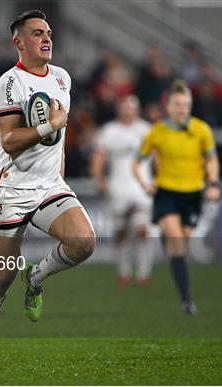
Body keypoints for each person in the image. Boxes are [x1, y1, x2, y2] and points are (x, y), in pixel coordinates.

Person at [0, 10, 96, 364]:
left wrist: (60, 175)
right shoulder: (8, 85)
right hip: (9, 189)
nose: (46, 38)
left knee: (84, 242)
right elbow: (9, 140)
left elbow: (60, 135)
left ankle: (37, 277)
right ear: (19, 42)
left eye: (49, 32)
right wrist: (48, 126)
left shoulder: (61, 78)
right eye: (37, 33)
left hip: (48, 184)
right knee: (2, 276)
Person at [133, 80, 220, 315]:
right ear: (168, 106)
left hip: (192, 195)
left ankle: (165, 238)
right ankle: (187, 301)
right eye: (177, 104)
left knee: (180, 247)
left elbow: (211, 159)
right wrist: (145, 183)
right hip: (166, 193)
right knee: (177, 241)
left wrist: (212, 184)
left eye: (186, 104)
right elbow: (137, 163)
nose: (182, 109)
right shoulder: (156, 132)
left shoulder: (202, 130)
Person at [91, 95, 154, 288]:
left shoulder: (147, 130)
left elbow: (159, 156)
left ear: (137, 109)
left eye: (131, 107)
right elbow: (99, 158)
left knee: (142, 228)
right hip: (118, 186)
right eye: (124, 106)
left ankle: (144, 272)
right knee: (121, 232)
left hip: (141, 186)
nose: (128, 110)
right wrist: (99, 179)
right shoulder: (109, 132)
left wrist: (160, 179)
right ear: (119, 109)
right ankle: (124, 271)